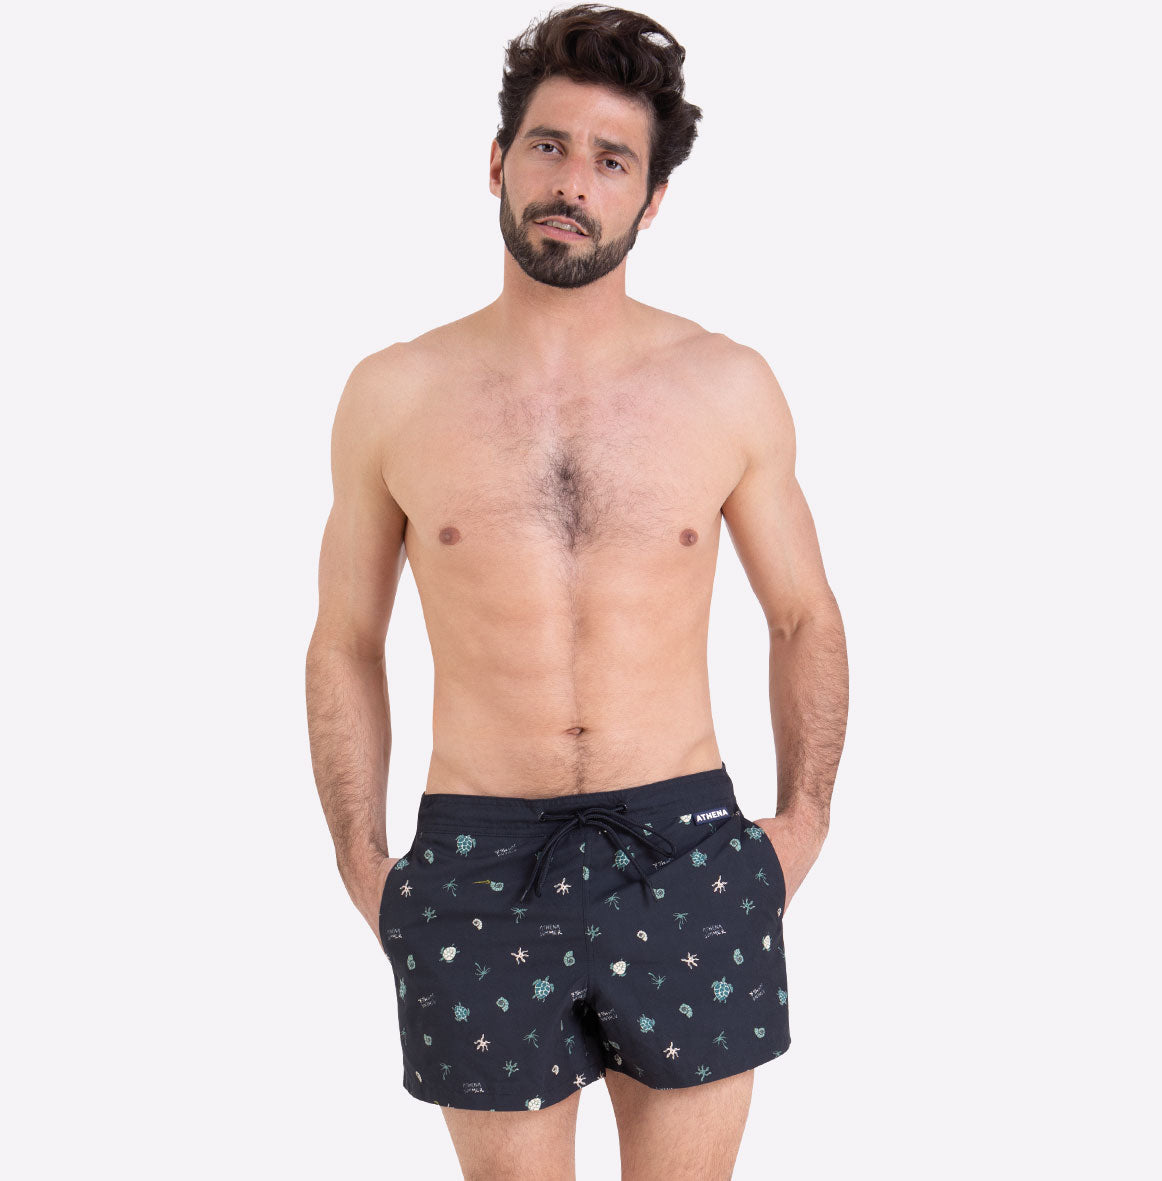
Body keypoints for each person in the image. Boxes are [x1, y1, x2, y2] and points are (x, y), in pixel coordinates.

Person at [305, 4, 848, 1176]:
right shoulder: (394, 392)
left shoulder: (725, 384)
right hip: (472, 863)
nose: (571, 182)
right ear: (497, 161)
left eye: (611, 160)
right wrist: (361, 859)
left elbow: (803, 613)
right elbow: (345, 636)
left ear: (649, 201)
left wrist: (801, 824)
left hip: (686, 852)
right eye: (548, 146)